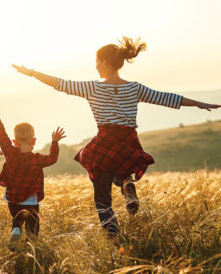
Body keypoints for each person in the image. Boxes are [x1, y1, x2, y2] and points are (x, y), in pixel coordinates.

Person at [12, 36, 220, 235]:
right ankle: (126, 183)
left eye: (96, 62)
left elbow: (59, 83)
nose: (95, 66)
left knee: (102, 196)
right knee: (120, 169)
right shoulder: (134, 88)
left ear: (104, 62)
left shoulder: (93, 87)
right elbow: (166, 98)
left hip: (106, 140)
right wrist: (199, 103)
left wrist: (31, 73)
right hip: (129, 141)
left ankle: (112, 232)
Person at [0, 104, 65, 248]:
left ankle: (16, 230)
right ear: (34, 141)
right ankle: (30, 245)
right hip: (31, 200)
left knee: (16, 219)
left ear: (15, 142)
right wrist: (54, 142)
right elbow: (52, 158)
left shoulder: (10, 153)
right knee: (32, 226)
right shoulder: (37, 159)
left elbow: (2, 137)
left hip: (13, 199)